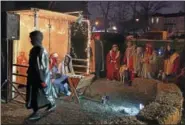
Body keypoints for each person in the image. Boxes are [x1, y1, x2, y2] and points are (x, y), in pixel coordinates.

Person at [26, 30, 57, 120]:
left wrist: (42, 80)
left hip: (38, 78)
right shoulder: (34, 50)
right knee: (41, 94)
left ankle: (37, 113)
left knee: (37, 95)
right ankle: (51, 104)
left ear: (37, 39)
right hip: (35, 77)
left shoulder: (40, 50)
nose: (31, 41)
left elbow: (40, 67)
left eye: (32, 39)